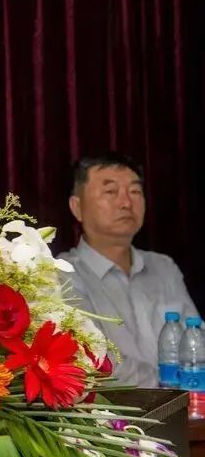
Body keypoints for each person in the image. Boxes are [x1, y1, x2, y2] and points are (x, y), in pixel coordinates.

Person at [58, 152, 199, 388]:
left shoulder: (163, 267)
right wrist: (173, 387)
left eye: (135, 191)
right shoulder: (62, 274)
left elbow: (196, 342)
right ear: (77, 207)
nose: (126, 203)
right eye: (110, 191)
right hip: (123, 410)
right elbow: (98, 365)